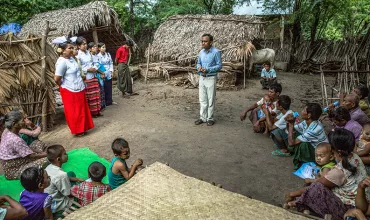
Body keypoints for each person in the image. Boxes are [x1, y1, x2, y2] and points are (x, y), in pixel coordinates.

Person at [285, 128, 367, 220]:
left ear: (334, 150)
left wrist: (292, 194)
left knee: (315, 187)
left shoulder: (339, 170)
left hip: (349, 207)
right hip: (360, 198)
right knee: (313, 185)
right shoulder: (354, 156)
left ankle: (300, 204)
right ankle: (302, 204)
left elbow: (318, 185)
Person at [54, 41, 94, 136]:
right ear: (63, 51)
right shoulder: (62, 62)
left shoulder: (72, 59)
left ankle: (83, 127)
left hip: (79, 88)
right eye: (69, 48)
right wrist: (63, 85)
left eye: (72, 48)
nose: (72, 50)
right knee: (74, 111)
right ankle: (78, 130)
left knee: (81, 109)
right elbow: (56, 78)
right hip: (69, 90)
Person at [0, 109, 47, 180]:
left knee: (37, 143)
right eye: (22, 120)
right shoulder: (15, 139)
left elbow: (27, 149)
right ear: (14, 124)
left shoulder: (8, 130)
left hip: (16, 161)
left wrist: (40, 153)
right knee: (47, 159)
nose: (25, 121)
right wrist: (47, 154)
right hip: (15, 169)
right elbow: (32, 156)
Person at [285, 103, 328, 170]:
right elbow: (293, 130)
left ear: (309, 115)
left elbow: (291, 143)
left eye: (304, 110)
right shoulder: (306, 122)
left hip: (320, 153)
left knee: (303, 144)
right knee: (296, 135)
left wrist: (291, 124)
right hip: (314, 147)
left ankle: (308, 163)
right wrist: (289, 122)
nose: (301, 112)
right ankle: (301, 159)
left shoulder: (315, 129)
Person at [44, 145, 83, 217]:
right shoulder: (61, 175)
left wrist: (77, 179)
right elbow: (68, 193)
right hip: (59, 204)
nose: (67, 154)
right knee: (82, 194)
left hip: (50, 199)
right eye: (65, 153)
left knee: (70, 174)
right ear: (58, 159)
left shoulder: (48, 167)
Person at [194, 34, 222, 126]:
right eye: (202, 41)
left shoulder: (216, 52)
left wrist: (208, 69)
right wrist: (199, 67)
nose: (203, 43)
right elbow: (198, 63)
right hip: (202, 77)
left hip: (210, 78)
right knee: (202, 99)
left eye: (205, 41)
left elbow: (219, 66)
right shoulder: (201, 52)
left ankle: (210, 118)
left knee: (210, 99)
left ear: (211, 42)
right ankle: (203, 117)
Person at [76, 37, 103, 117]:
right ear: (78, 46)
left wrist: (94, 67)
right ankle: (92, 113)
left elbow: (92, 62)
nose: (85, 45)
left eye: (85, 44)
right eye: (83, 44)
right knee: (90, 96)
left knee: (96, 94)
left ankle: (98, 110)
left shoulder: (88, 53)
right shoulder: (78, 55)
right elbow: (79, 67)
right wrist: (88, 70)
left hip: (93, 75)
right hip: (86, 77)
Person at [89, 42, 106, 111]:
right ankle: (96, 108)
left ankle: (101, 106)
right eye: (94, 47)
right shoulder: (90, 57)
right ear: (90, 49)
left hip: (99, 73)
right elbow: (93, 68)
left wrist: (102, 73)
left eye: (96, 46)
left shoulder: (97, 56)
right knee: (96, 92)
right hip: (95, 75)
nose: (95, 48)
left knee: (101, 90)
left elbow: (99, 65)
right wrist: (101, 72)